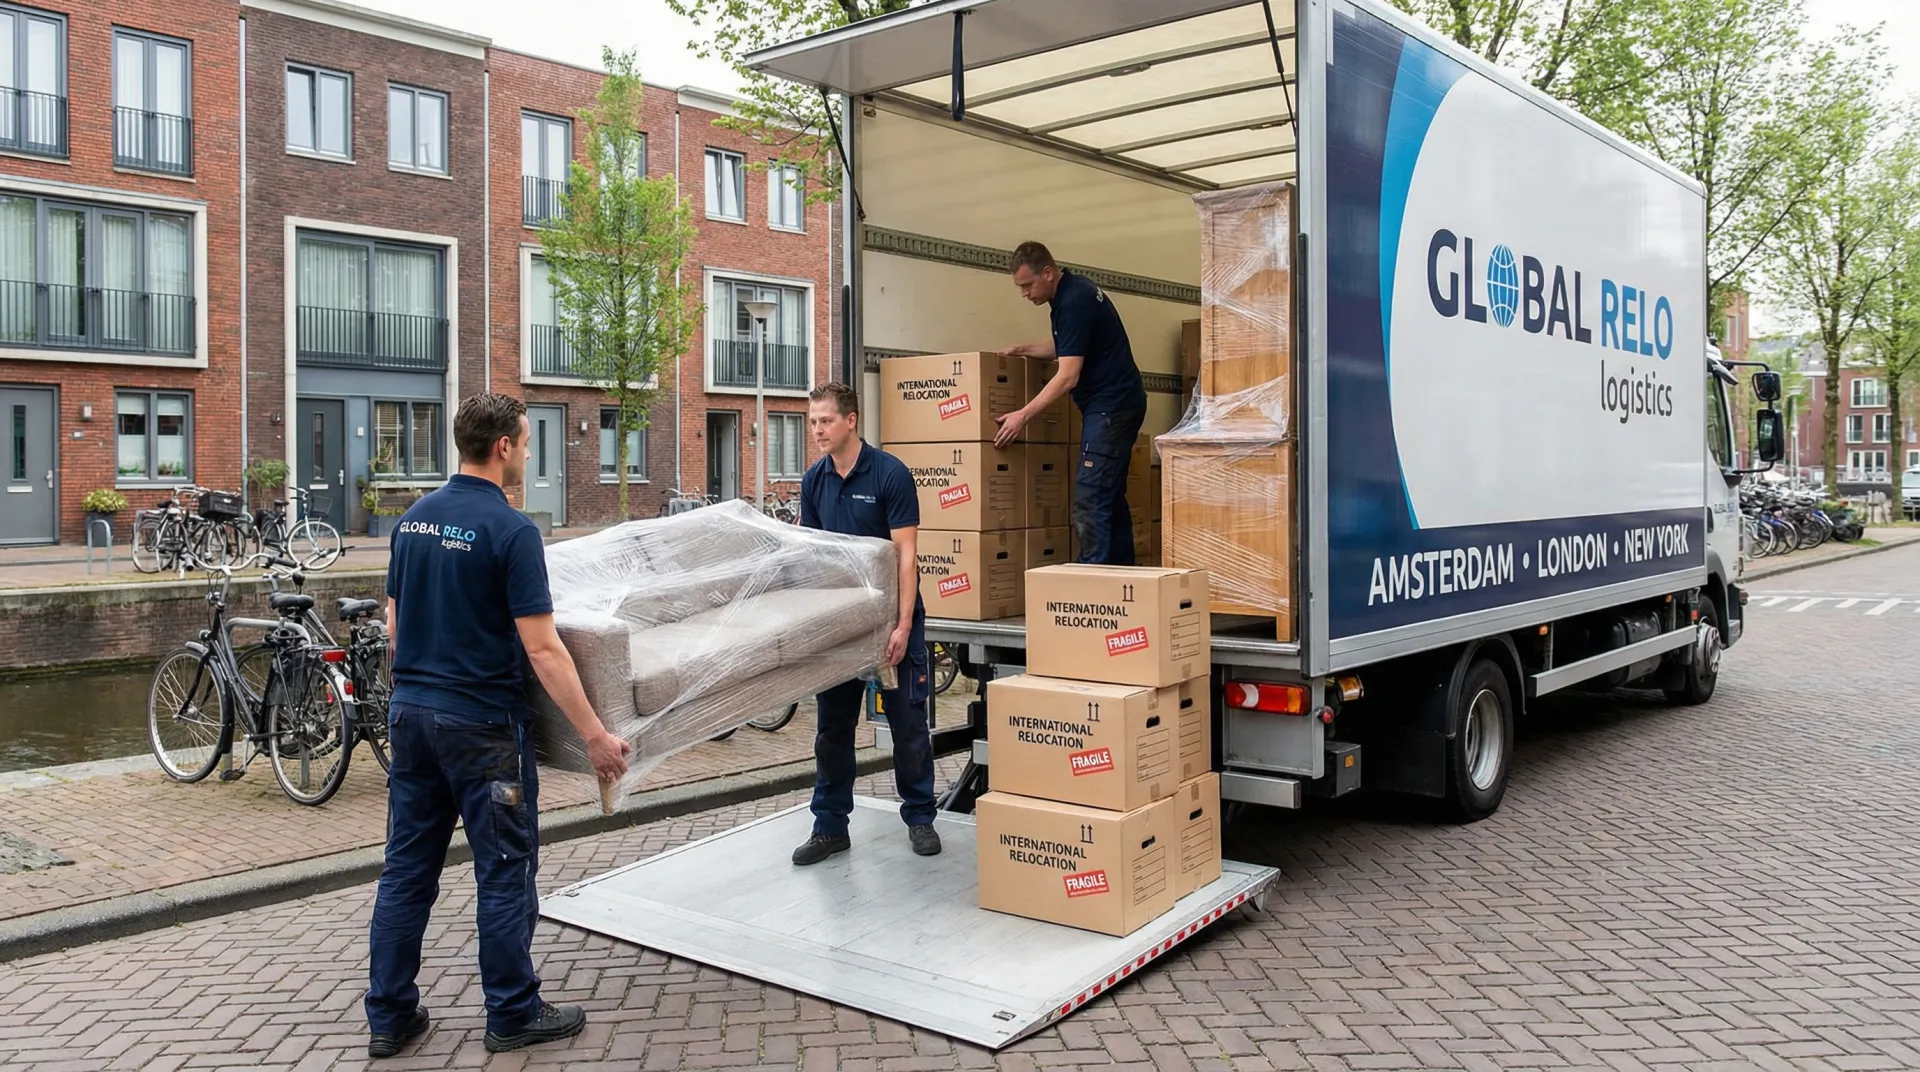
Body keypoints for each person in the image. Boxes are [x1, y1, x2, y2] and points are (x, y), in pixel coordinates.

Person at [364, 392, 632, 1060]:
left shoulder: (415, 520)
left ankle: (390, 1017)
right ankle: (512, 1010)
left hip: (412, 716)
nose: (528, 450)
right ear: (505, 447)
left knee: (405, 872)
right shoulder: (512, 531)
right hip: (481, 727)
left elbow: (394, 627)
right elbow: (543, 648)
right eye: (525, 439)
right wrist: (595, 734)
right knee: (505, 871)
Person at [790, 381, 939, 866]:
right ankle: (830, 827)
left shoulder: (890, 474)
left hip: (893, 622)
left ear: (851, 421)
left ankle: (920, 817)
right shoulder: (814, 480)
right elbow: (815, 557)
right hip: (843, 627)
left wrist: (900, 625)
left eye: (825, 421)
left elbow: (907, 555)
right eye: (813, 422)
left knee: (907, 725)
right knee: (832, 731)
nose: (817, 430)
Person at [993, 240, 1149, 565]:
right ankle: (1123, 581)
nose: (1024, 294)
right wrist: (1021, 349)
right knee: (1109, 496)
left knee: (1091, 498)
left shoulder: (1074, 300)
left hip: (1111, 408)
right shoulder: (1071, 293)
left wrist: (1022, 416)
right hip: (1117, 404)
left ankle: (1092, 583)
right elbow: (1067, 345)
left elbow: (1068, 375)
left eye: (1027, 285)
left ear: (1047, 273)